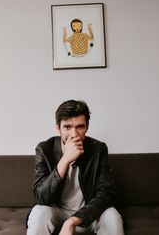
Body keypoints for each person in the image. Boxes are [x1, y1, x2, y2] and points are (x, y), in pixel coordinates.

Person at [27, 100, 124, 235]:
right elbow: (41, 197)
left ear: (87, 126)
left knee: (112, 216)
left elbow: (107, 193)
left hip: (88, 213)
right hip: (57, 212)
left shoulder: (98, 149)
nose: (74, 134)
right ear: (57, 127)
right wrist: (65, 159)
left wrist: (72, 221)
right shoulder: (44, 149)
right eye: (67, 127)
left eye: (80, 127)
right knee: (39, 212)